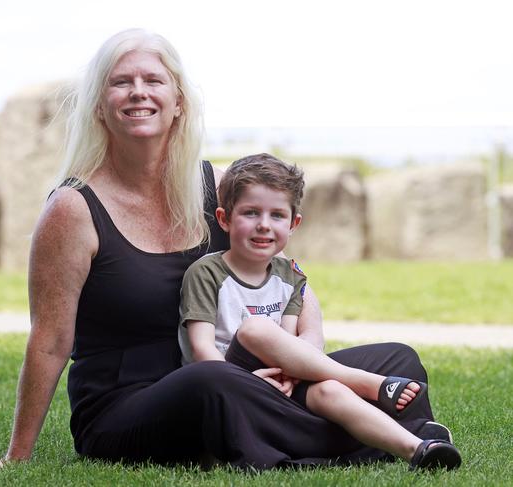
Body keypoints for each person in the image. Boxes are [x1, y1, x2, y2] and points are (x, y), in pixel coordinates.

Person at [0, 28, 458, 471]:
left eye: (154, 80)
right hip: (133, 403)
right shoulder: (72, 209)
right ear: (98, 107)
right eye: (120, 82)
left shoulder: (214, 188)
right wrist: (18, 454)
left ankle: (354, 432)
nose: (138, 92)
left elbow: (289, 276)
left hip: (246, 376)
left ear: (178, 104)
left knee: (398, 358)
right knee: (211, 383)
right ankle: (385, 434)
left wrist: (302, 363)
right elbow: (49, 340)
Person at [178, 153, 461, 469]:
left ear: (293, 223)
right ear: (224, 219)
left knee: (344, 384)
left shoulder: (289, 274)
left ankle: (417, 446)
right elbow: (202, 349)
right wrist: (245, 381)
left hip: (284, 379)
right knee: (255, 328)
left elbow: (290, 338)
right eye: (251, 213)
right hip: (230, 382)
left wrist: (289, 373)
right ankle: (369, 384)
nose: (263, 225)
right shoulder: (206, 273)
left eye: (276, 215)